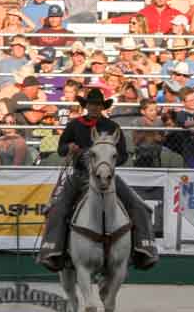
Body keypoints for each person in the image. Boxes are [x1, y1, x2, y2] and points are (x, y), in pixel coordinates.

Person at [37, 87, 157, 272]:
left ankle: (144, 247)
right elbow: (61, 148)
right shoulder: (74, 125)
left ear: (102, 107)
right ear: (86, 106)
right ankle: (52, 250)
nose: (94, 107)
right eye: (91, 104)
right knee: (58, 207)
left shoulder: (112, 127)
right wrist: (69, 147)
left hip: (107, 176)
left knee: (138, 205)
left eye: (97, 105)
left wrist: (110, 161)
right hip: (79, 175)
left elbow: (123, 155)